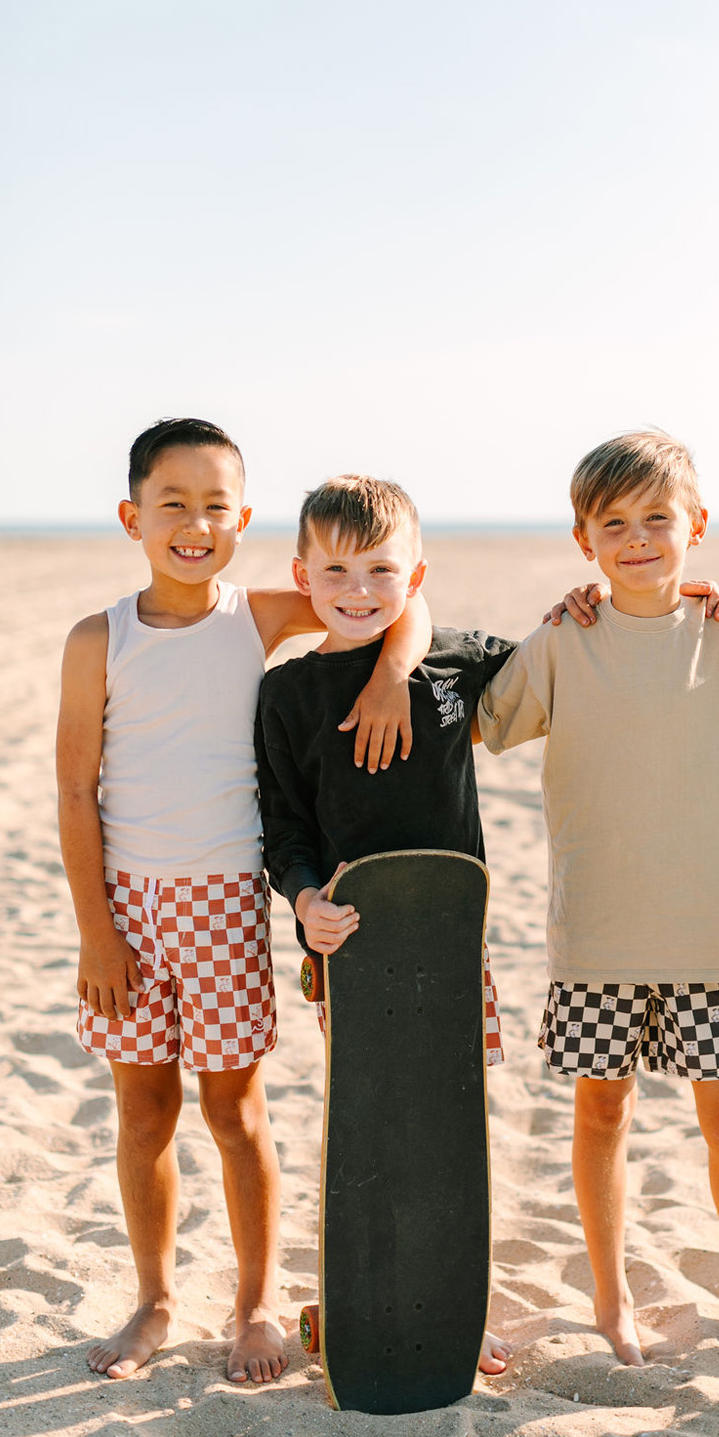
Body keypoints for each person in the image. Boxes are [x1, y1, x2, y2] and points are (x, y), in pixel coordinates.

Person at [57, 419, 429, 1384]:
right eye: (172, 504)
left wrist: (392, 676)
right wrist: (97, 933)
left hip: (225, 903)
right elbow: (72, 790)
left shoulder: (258, 615)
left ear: (244, 519)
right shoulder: (99, 638)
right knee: (143, 1113)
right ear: (134, 517)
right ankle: (154, 1299)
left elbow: (403, 611)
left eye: (216, 506)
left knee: (237, 1112)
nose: (195, 523)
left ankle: (256, 1304)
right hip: (128, 910)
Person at [475, 429, 719, 1367]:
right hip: (597, 934)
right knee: (601, 1111)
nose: (639, 537)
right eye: (615, 523)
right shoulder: (565, 640)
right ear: (586, 541)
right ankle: (610, 1300)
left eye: (659, 518)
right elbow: (475, 717)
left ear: (696, 524)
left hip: (707, 936)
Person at [254, 472, 522, 1376]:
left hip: (453, 944)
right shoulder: (288, 694)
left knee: (452, 1133)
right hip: (350, 950)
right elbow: (283, 826)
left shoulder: (453, 661)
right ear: (302, 574)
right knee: (370, 1129)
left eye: (381, 571)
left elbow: (569, 664)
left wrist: (398, 666)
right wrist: (303, 902)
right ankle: (360, 1295)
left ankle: (455, 1305)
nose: (359, 591)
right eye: (335, 572)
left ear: (415, 575)